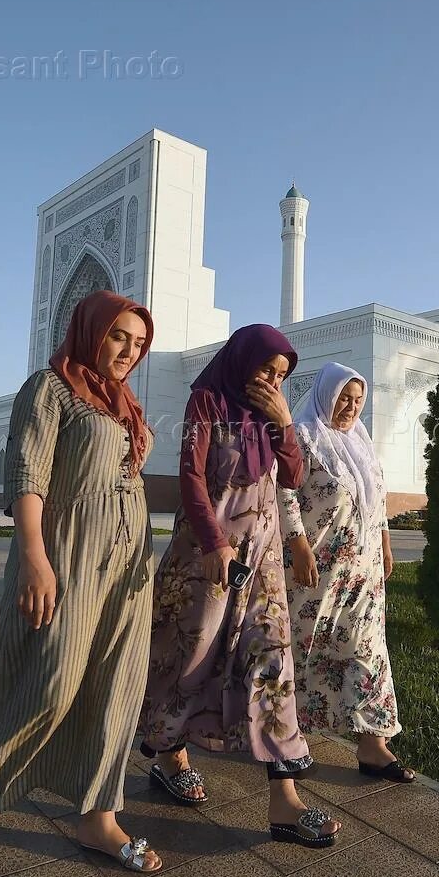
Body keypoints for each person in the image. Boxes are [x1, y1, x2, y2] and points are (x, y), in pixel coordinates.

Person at [0, 291, 162, 874]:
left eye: (139, 343)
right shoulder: (50, 390)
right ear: (92, 331)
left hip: (127, 565)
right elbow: (27, 475)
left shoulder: (123, 405)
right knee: (54, 679)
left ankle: (98, 816)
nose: (128, 350)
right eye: (119, 335)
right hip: (67, 557)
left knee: (117, 685)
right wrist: (33, 558)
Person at [140, 324, 341, 849]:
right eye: (265, 370)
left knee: (272, 663)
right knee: (188, 658)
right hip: (207, 557)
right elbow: (191, 478)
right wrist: (213, 545)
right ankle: (168, 753)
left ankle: (285, 801)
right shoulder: (206, 401)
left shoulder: (273, 415)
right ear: (241, 360)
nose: (271, 381)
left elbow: (293, 476)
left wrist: (281, 422)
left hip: (262, 560)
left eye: (281, 375)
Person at [279, 362, 414, 784]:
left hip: (364, 571)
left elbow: (376, 492)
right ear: (325, 396)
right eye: (343, 399)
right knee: (307, 645)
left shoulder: (360, 441)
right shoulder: (302, 436)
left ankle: (373, 744)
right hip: (316, 569)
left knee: (369, 649)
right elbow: (283, 490)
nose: (351, 408)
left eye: (358, 401)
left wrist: (386, 541)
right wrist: (297, 542)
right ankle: (287, 734)